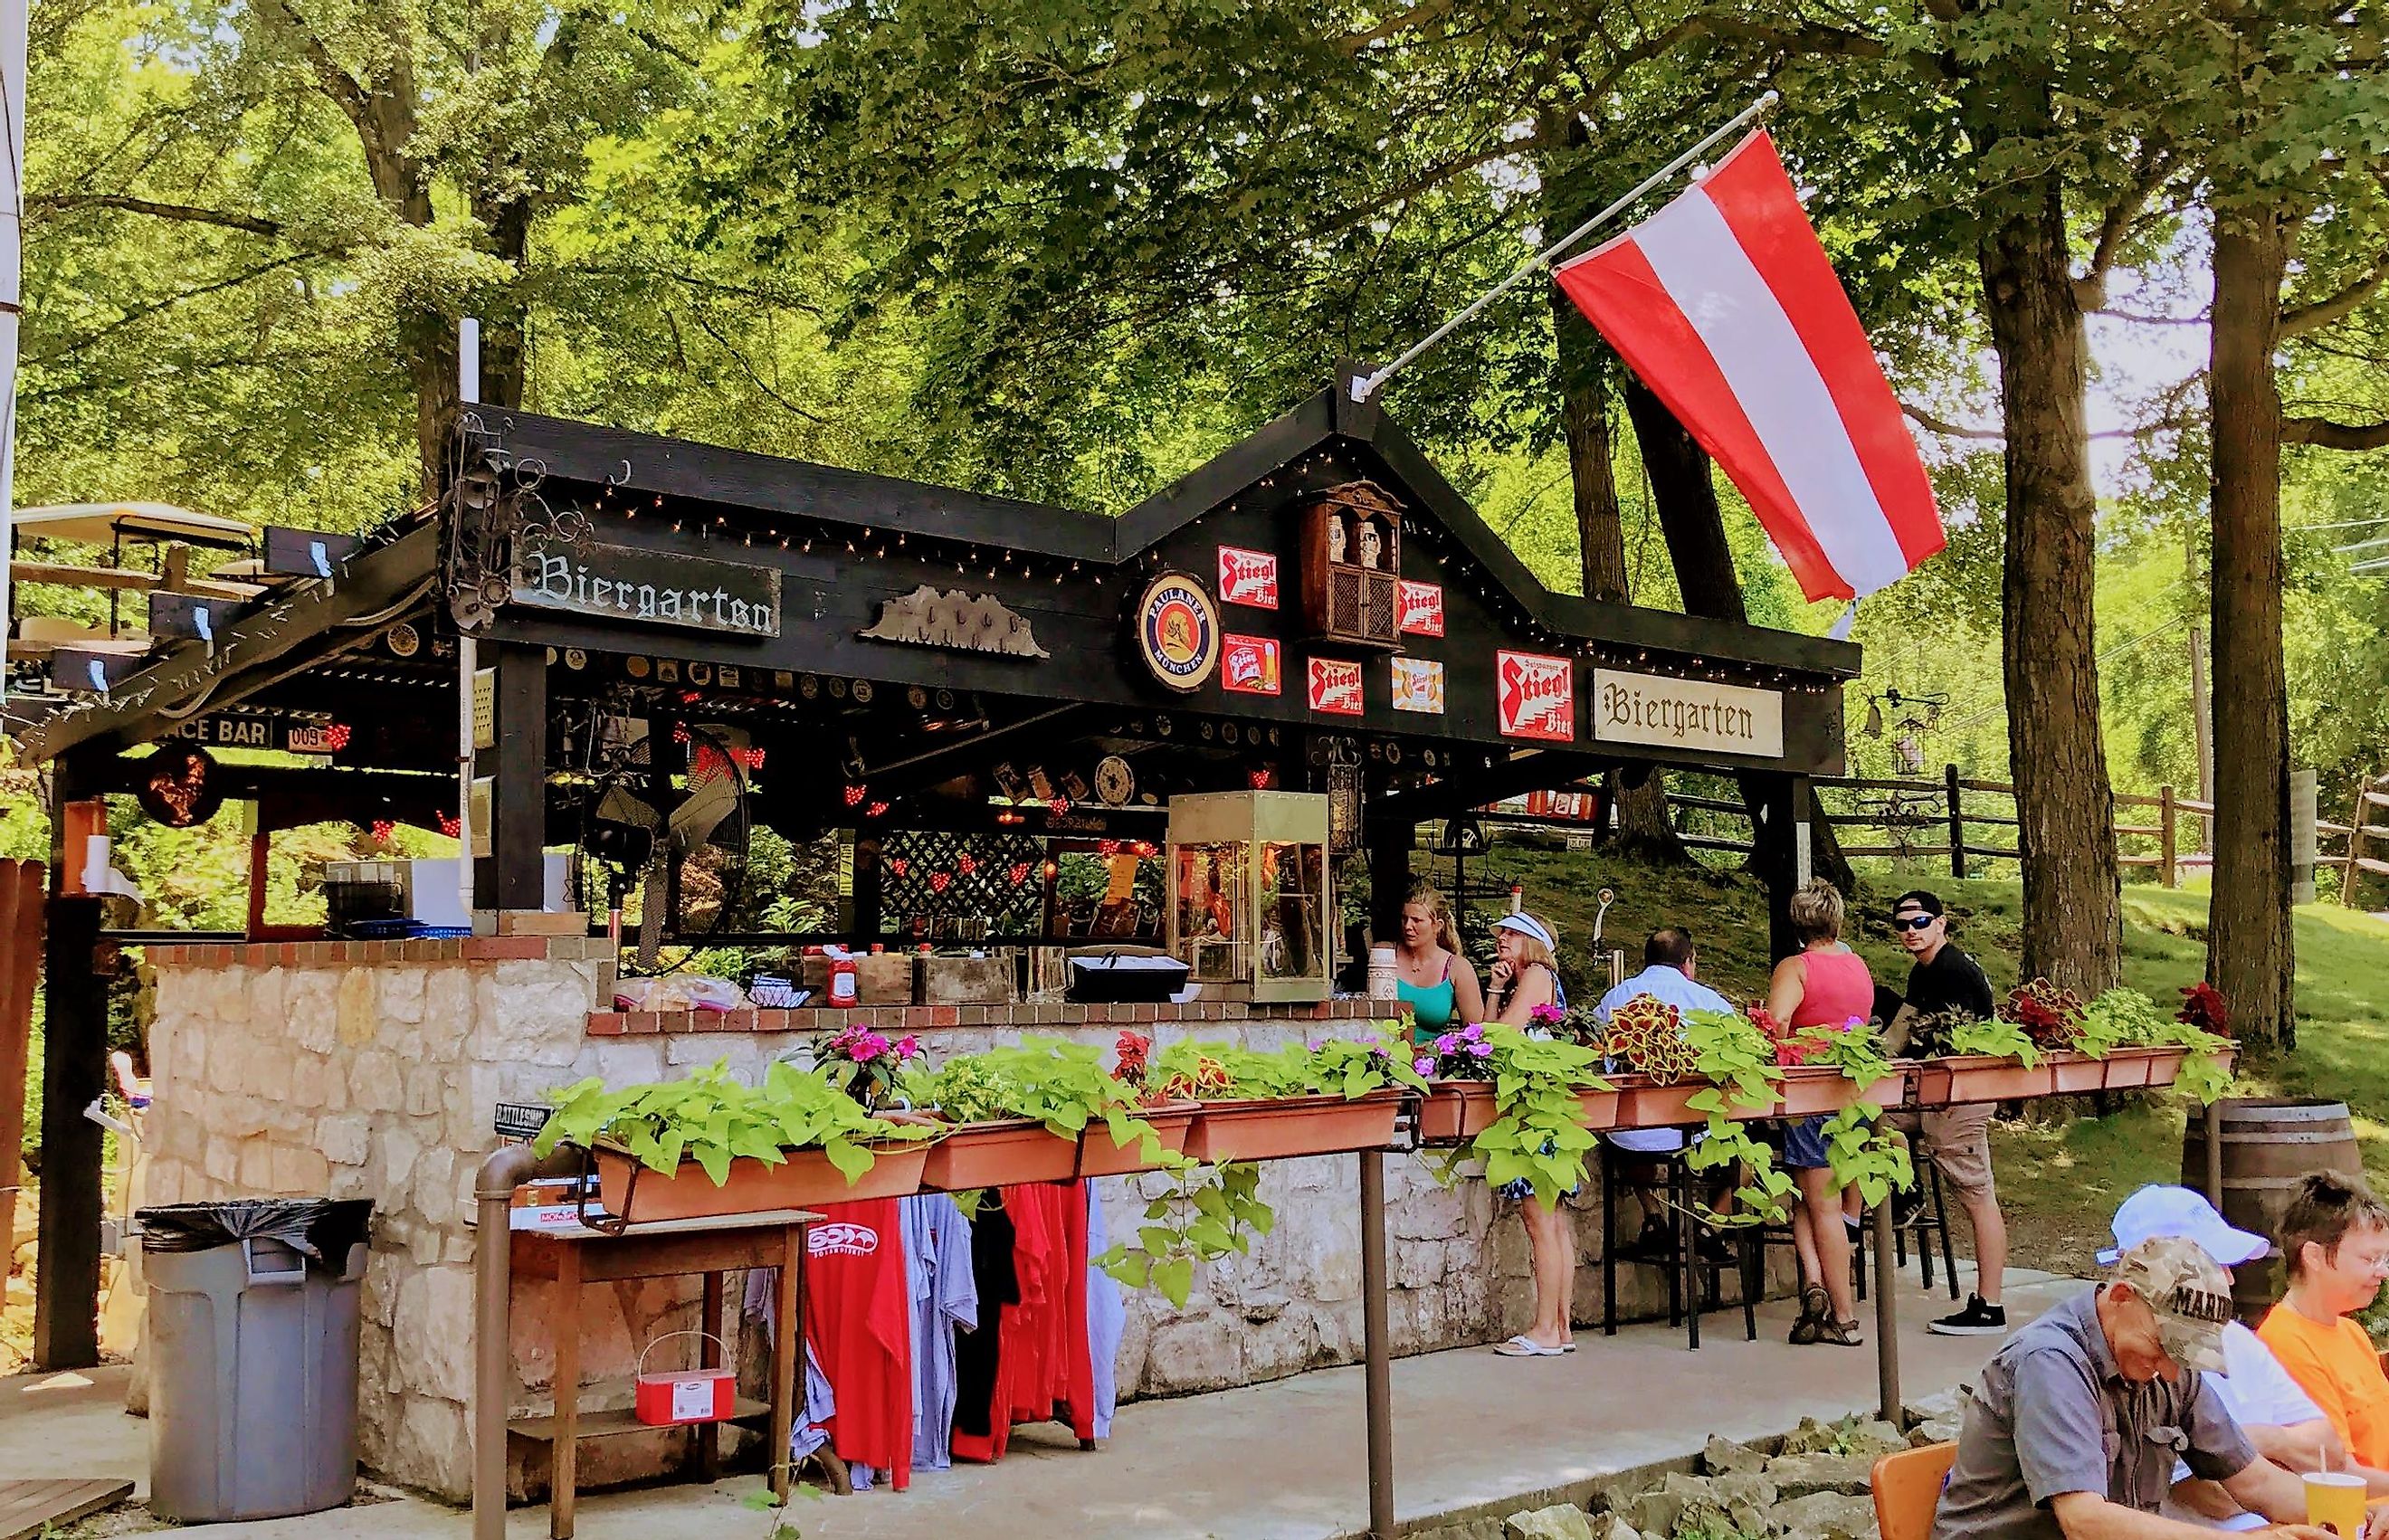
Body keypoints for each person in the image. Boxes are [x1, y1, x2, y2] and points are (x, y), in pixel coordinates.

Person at [1932, 1234, 2333, 1540]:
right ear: (2122, 1296)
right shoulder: (2050, 1362)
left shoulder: (2165, 1364)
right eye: (2164, 1347)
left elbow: (2255, 1480)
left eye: (2185, 1356)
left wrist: (2348, 1519)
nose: (2173, 1372)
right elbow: (2083, 1519)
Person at [2089, 1184, 2378, 1529]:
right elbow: (2215, 1497)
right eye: (2211, 1264)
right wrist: (2274, 1458)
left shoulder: (2238, 1340)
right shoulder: (2145, 1362)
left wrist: (2262, 1440)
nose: (2228, 1278)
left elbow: (2328, 1453)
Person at [1890, 889, 2012, 1337]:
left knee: (1978, 1196)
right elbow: (1900, 1030)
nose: (1910, 931)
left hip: (1961, 1094)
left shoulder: (1954, 972)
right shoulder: (1923, 972)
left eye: (1920, 922)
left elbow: (1958, 1043)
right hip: (1933, 1095)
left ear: (1941, 923)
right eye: (1902, 925)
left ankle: (1990, 1305)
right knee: (1874, 1119)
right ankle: (1905, 1191)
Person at [1766, 879, 1872, 1347]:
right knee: (1809, 1197)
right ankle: (1814, 1286)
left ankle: (1844, 1317)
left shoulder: (1796, 967)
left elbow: (1778, 1023)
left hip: (1811, 1092)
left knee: (1822, 1203)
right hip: (1853, 1089)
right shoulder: (1858, 965)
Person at [1598, 927, 1737, 1259]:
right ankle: (1711, 1223)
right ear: (1688, 963)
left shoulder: (1617, 996)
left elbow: (1594, 1046)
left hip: (1631, 1130)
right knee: (1751, 1143)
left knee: (1621, 1138)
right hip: (1692, 1130)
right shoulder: (1709, 1001)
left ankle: (1653, 1214)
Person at [1484, 910, 1575, 1357]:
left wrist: (1499, 1007)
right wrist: (1496, 990)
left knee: (1540, 1218)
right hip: (1545, 1102)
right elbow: (1484, 1032)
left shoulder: (1538, 974)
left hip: (1534, 1105)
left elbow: (1500, 1035)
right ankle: (1561, 1326)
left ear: (1532, 942)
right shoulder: (1530, 980)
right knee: (1553, 1218)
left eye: (1510, 934)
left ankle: (1544, 1330)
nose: (1500, 939)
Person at [2258, 1172, 2389, 1471]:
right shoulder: (2286, 1343)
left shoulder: (2351, 1331)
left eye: (2386, 1260)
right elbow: (2338, 1469)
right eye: (2370, 1260)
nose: (2383, 1273)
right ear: (2314, 1257)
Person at [1394, 880, 1485, 1044]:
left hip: (1432, 1062)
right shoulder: (1385, 957)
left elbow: (1475, 1032)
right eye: (1404, 918)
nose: (1408, 926)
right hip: (1384, 1059)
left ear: (1438, 926)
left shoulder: (1458, 968)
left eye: (1417, 920)